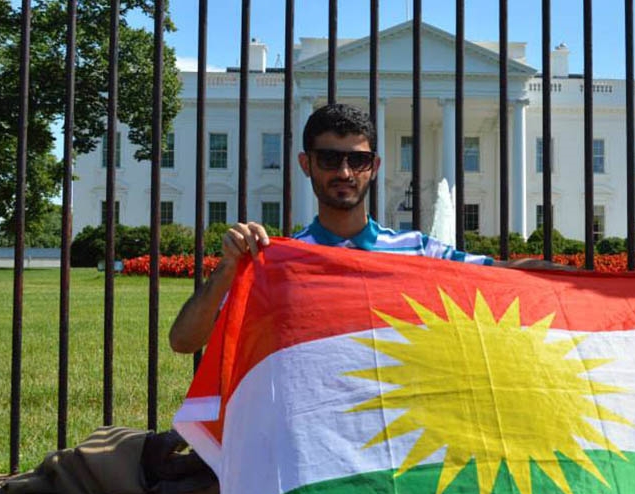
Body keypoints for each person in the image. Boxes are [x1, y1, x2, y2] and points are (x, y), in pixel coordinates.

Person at [169, 103, 547, 354]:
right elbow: (184, 341)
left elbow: (501, 275)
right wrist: (227, 271)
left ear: (375, 166)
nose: (345, 173)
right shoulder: (276, 262)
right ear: (306, 163)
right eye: (330, 158)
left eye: (358, 160)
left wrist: (594, 283)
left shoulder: (416, 251)